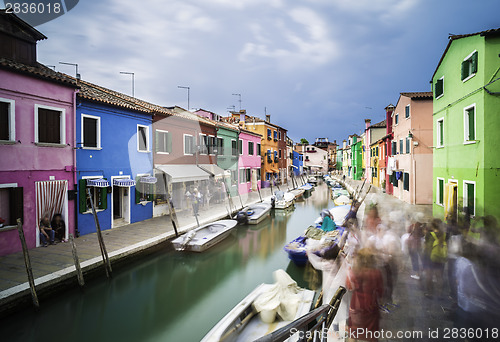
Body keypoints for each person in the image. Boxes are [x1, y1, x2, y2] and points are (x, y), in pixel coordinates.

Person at [346, 248, 384, 342]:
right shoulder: (377, 273)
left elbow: (349, 287)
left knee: (353, 332)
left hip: (356, 304)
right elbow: (380, 291)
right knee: (371, 334)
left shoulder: (354, 272)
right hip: (371, 305)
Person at [407, 214, 425, 280]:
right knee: (421, 258)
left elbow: (408, 231)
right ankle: (424, 271)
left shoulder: (412, 226)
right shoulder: (421, 226)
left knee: (415, 259)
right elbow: (423, 235)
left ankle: (417, 274)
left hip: (412, 245)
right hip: (419, 245)